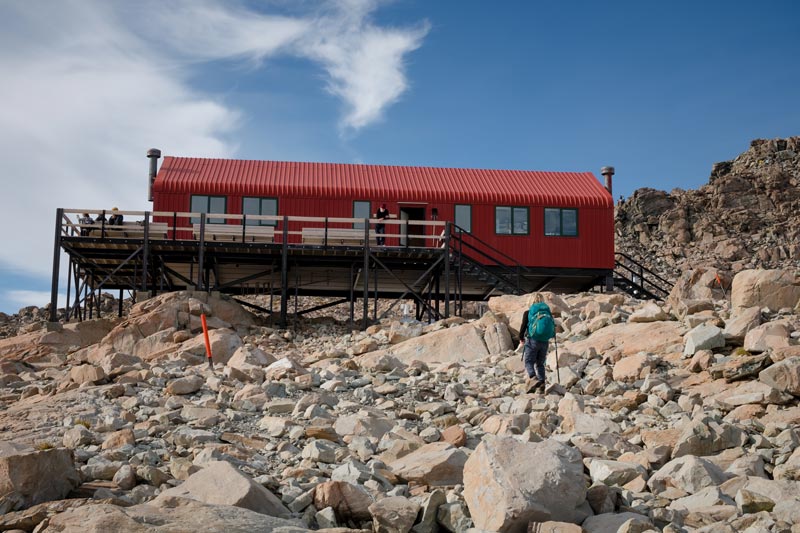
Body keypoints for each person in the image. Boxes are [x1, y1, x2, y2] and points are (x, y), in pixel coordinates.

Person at [519, 293, 553, 393]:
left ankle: (533, 379)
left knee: (529, 361)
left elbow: (523, 327)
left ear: (530, 301)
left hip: (532, 340)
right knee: (540, 363)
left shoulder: (528, 312)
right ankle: (542, 382)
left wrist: (521, 337)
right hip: (544, 341)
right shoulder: (547, 312)